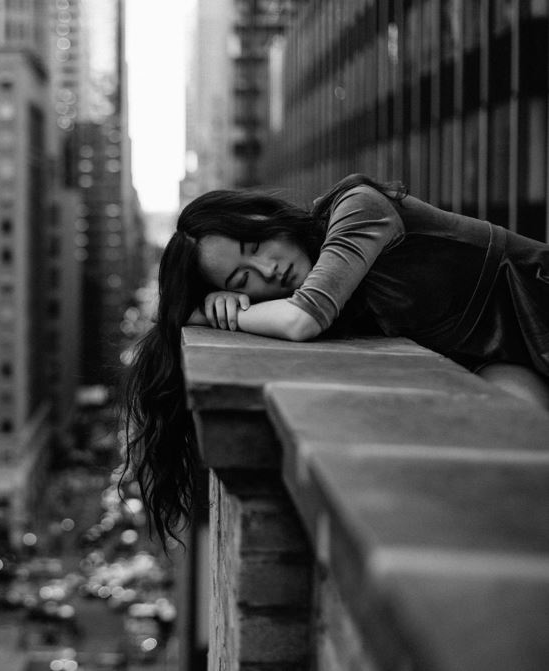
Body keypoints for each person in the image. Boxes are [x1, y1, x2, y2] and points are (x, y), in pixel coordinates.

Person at [122, 173, 549, 547]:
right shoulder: (320, 287)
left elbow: (303, 319)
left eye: (254, 244)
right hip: (501, 358)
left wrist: (220, 314)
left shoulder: (358, 206)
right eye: (242, 278)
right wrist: (219, 307)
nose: (266, 270)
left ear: (266, 214)